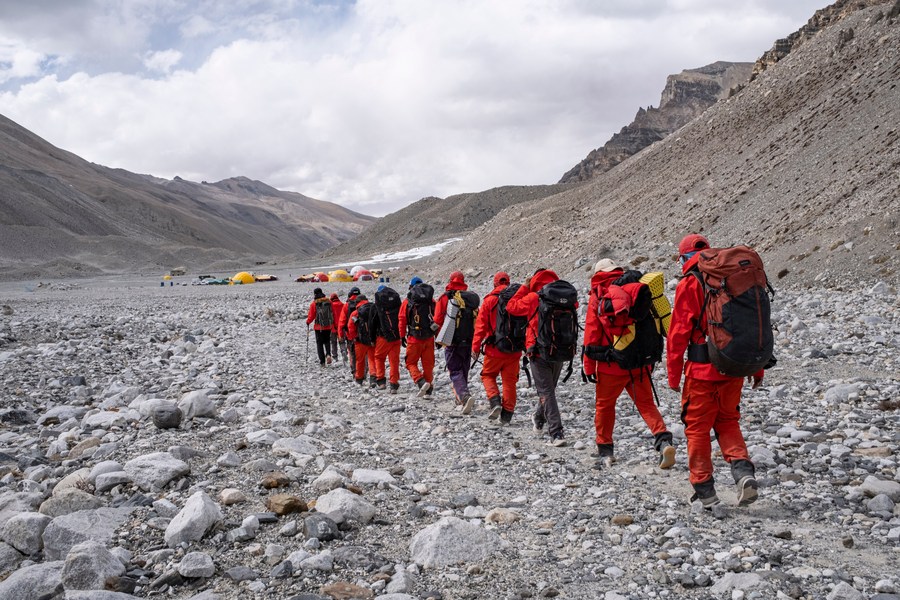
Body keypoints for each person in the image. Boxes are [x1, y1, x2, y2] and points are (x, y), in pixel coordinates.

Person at [668, 233, 761, 509]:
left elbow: (678, 334)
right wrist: (756, 369)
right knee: (728, 420)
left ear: (683, 257)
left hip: (701, 371)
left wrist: (673, 375)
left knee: (697, 428)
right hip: (734, 366)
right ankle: (743, 474)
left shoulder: (691, 283)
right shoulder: (731, 277)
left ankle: (705, 489)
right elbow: (753, 324)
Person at [582, 258, 675, 469]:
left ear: (598, 273)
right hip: (639, 362)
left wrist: (588, 366)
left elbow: (592, 333)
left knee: (605, 406)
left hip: (610, 365)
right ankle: (663, 439)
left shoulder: (600, 294)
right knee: (646, 404)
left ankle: (605, 450)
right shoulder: (638, 288)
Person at [506, 268, 574, 446]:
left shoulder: (534, 297)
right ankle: (539, 419)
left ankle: (556, 433)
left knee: (546, 391)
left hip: (538, 350)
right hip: (561, 348)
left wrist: (525, 287)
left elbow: (511, 307)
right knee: (548, 389)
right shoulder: (565, 297)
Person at [472, 271, 524, 425]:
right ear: (508, 282)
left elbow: (480, 327)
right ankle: (507, 415)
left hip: (494, 349)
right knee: (509, 382)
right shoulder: (517, 299)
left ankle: (495, 402)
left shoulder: (489, 301)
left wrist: (475, 347)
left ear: (494, 284)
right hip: (514, 349)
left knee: (488, 375)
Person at [433, 271, 480, 414]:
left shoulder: (445, 298)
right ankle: (461, 395)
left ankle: (464, 396)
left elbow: (437, 320)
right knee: (464, 368)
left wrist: (439, 337)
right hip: (469, 339)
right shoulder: (470, 298)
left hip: (452, 340)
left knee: (454, 370)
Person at [399, 276, 436, 397]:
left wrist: (401, 336)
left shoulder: (407, 301)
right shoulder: (431, 301)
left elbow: (402, 319)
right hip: (429, 337)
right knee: (428, 364)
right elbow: (438, 318)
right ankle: (428, 390)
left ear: (410, 287)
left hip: (414, 337)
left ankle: (420, 381)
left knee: (410, 362)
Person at [372, 285, 403, 393]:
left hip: (383, 337)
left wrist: (372, 338)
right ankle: (394, 384)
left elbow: (373, 323)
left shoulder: (378, 306)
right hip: (396, 336)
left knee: (379, 357)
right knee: (394, 361)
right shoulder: (396, 303)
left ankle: (381, 381)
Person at [347, 294, 377, 386]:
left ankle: (359, 379)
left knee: (360, 361)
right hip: (373, 339)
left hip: (360, 341)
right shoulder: (374, 309)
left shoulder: (355, 313)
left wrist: (354, 337)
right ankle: (373, 377)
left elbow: (350, 327)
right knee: (372, 359)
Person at [306, 288, 333, 366]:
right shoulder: (329, 301)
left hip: (318, 327)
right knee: (327, 341)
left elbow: (311, 316)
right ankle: (328, 354)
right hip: (328, 326)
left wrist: (308, 322)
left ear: (315, 294)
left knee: (319, 343)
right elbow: (332, 312)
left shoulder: (314, 303)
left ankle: (322, 362)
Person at [339, 287, 363, 375]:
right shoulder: (363, 303)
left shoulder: (347, 305)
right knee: (363, 353)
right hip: (363, 333)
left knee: (352, 352)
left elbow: (342, 321)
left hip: (350, 334)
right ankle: (364, 371)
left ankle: (354, 370)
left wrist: (341, 335)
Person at [329, 292, 347, 364]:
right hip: (342, 327)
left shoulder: (331, 306)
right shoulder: (343, 305)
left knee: (333, 343)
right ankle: (344, 352)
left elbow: (330, 318)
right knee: (342, 342)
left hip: (333, 327)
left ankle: (335, 357)